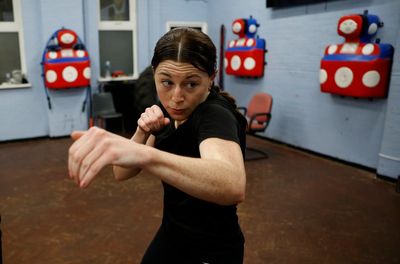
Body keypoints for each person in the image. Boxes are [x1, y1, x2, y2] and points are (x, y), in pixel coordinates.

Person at [68, 27, 247, 263]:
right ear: (154, 73)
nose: (176, 96)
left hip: (210, 248)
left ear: (211, 76)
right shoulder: (167, 109)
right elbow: (122, 172)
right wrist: (141, 134)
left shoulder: (214, 115)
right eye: (166, 82)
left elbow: (232, 185)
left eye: (191, 84)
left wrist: (145, 156)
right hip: (172, 234)